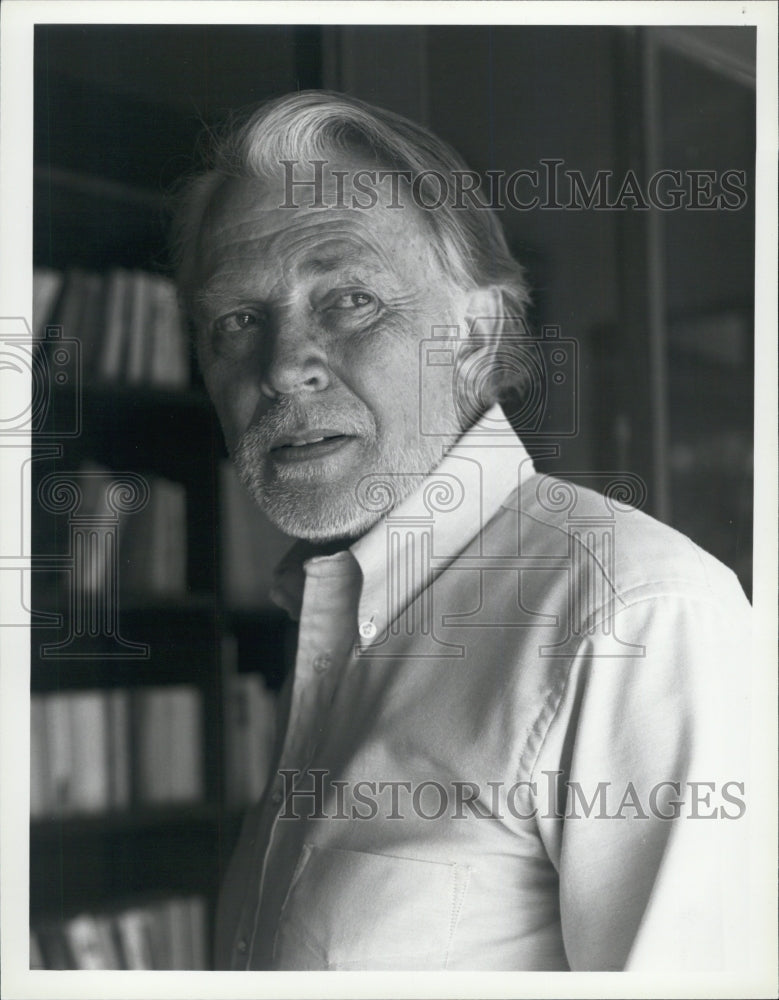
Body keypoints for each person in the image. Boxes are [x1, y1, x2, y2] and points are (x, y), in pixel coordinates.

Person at [172, 91, 751, 972]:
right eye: (237, 321)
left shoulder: (633, 615)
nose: (284, 366)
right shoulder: (332, 611)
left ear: (477, 330)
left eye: (351, 299)